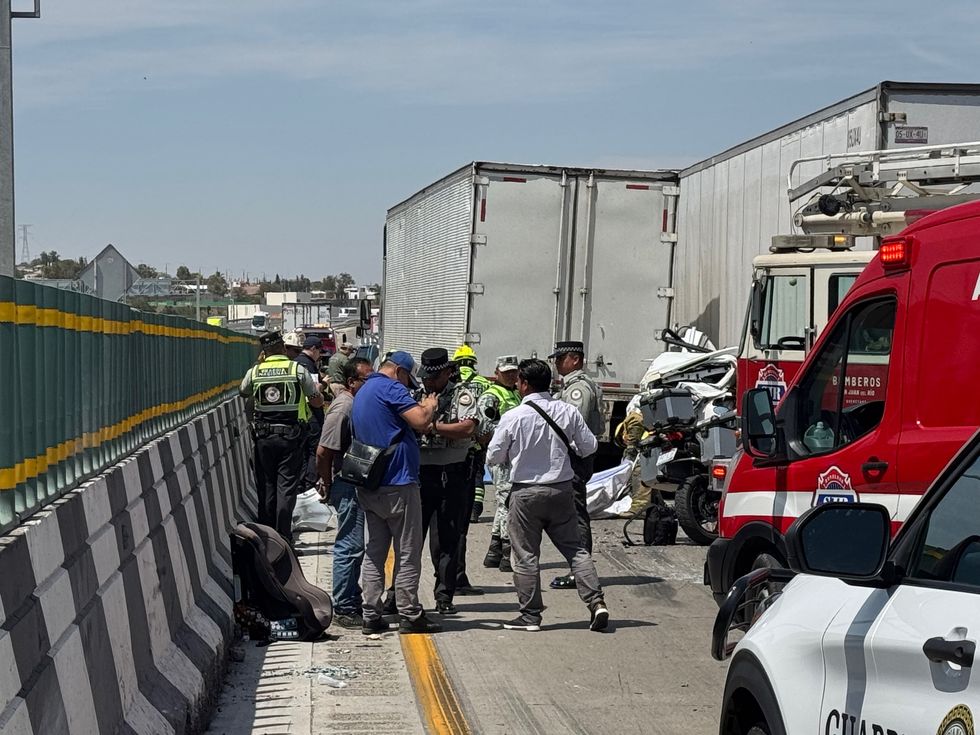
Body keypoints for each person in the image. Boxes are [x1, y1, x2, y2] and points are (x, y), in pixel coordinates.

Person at [486, 358, 608, 632]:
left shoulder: (514, 416)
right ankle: (597, 603)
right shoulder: (567, 411)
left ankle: (530, 616)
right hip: (561, 490)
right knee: (575, 550)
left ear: (524, 384)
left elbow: (494, 456)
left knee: (526, 555)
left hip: (525, 494)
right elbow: (589, 447)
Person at [352, 350, 443, 635]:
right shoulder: (391, 388)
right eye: (407, 380)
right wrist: (429, 405)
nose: (407, 386)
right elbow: (419, 421)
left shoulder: (365, 389)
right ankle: (410, 614)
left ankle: (370, 614)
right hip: (398, 483)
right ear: (400, 372)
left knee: (375, 551)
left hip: (370, 483)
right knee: (407, 551)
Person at [240, 331, 324, 545]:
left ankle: (265, 536)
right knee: (286, 488)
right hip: (290, 438)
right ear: (283, 349)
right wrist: (319, 394)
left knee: (266, 486)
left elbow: (243, 392)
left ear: (264, 351)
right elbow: (314, 401)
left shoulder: (255, 371)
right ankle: (283, 538)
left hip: (263, 438)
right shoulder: (296, 369)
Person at [415, 348, 481, 615]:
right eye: (425, 377)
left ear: (447, 373)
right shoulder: (418, 394)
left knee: (447, 538)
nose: (427, 382)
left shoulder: (462, 395)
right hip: (421, 474)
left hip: (451, 472)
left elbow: (467, 427)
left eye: (433, 377)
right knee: (411, 539)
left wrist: (432, 427)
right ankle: (399, 594)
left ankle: (444, 595)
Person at [316, 356, 374, 629]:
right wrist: (327, 484)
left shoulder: (356, 404)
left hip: (354, 482)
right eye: (366, 379)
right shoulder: (344, 408)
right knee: (349, 546)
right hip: (346, 483)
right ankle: (344, 606)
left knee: (355, 546)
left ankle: (352, 597)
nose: (371, 384)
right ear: (352, 382)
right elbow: (323, 452)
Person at [549, 340, 605, 590]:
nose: (557, 364)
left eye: (561, 359)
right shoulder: (574, 385)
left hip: (575, 457)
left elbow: (571, 425)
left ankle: (580, 572)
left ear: (575, 359)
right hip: (574, 456)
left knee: (575, 514)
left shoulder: (578, 389)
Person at [480, 355, 522, 572]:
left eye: (514, 372)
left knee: (502, 502)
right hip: (502, 458)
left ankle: (495, 550)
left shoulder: (514, 393)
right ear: (496, 372)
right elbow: (485, 428)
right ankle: (507, 552)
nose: (511, 376)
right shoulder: (491, 396)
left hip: (512, 457)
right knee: (507, 503)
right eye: (506, 373)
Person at [453, 345, 492, 523]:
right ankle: (475, 510)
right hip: (478, 438)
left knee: (455, 475)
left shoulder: (452, 381)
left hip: (456, 438)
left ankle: (457, 509)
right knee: (477, 474)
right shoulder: (484, 383)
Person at [296, 335, 326, 488]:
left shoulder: (295, 362)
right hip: (312, 415)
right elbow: (314, 394)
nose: (320, 355)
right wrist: (323, 385)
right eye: (320, 351)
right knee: (314, 450)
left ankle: (301, 484)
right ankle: (310, 484)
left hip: (298, 415)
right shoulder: (308, 364)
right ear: (313, 349)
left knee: (302, 451)